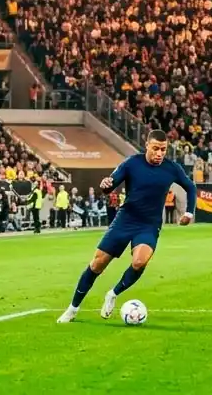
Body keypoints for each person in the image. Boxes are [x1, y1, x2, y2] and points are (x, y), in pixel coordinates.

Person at [56, 130, 197, 323]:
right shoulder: (132, 163)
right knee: (97, 264)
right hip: (125, 220)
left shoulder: (172, 168)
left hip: (149, 225)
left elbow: (190, 187)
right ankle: (72, 309)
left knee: (139, 262)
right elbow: (110, 185)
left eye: (163, 149)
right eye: (156, 148)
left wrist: (189, 212)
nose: (159, 153)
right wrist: (105, 185)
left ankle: (113, 294)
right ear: (147, 145)